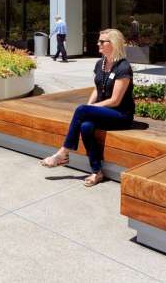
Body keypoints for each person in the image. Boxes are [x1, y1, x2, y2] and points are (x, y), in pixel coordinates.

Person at [39, 29, 135, 187]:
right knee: (85, 126)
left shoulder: (123, 67)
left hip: (120, 115)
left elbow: (115, 100)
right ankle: (97, 172)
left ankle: (63, 153)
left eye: (102, 41)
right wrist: (90, 107)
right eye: (99, 41)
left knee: (82, 110)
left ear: (114, 44)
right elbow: (97, 88)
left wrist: (88, 109)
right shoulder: (100, 63)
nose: (98, 44)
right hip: (104, 111)